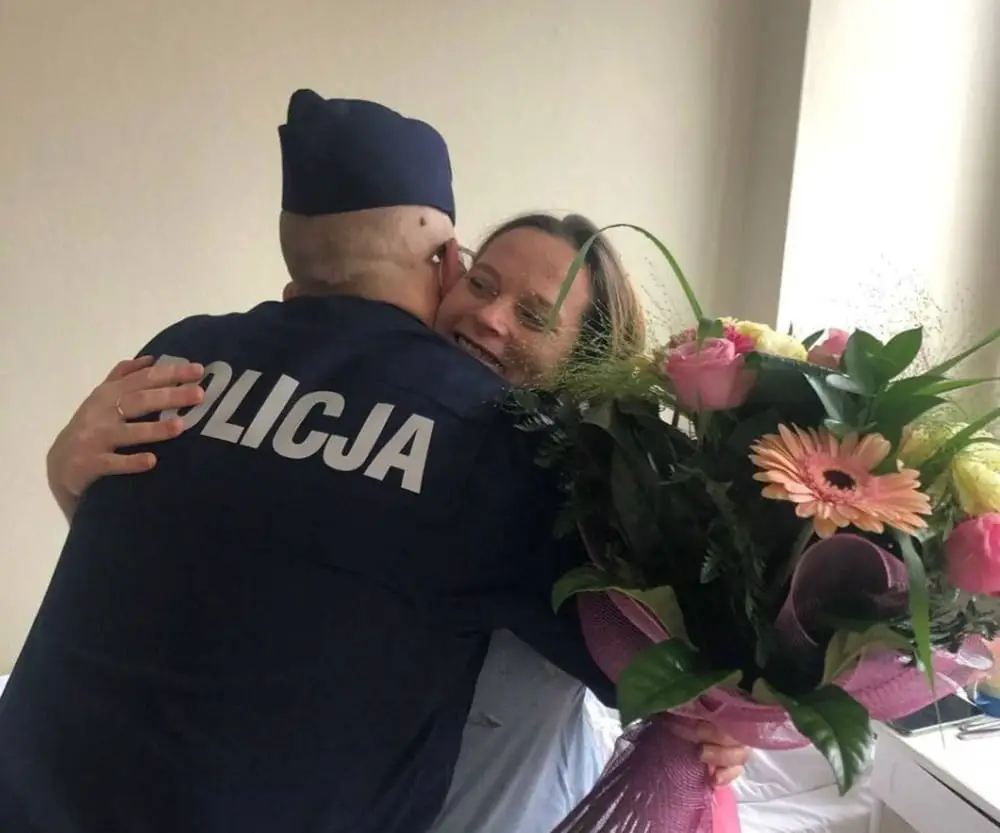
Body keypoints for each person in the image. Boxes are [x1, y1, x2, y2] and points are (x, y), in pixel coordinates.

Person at [43, 212, 749, 832]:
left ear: (588, 366)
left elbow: (679, 671)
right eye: (481, 282)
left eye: (535, 316)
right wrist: (72, 480)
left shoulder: (581, 511)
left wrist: (724, 723)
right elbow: (209, 592)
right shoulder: (363, 441)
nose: (491, 316)